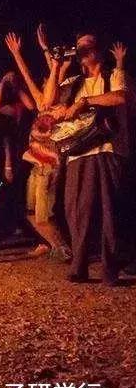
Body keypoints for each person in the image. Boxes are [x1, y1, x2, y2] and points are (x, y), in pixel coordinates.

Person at [53, 34, 129, 284]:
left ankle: (110, 269)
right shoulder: (73, 82)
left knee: (109, 211)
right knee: (77, 210)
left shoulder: (112, 75)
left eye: (88, 45)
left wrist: (85, 102)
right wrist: (56, 65)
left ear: (98, 50)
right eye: (80, 46)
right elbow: (48, 101)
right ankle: (80, 265)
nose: (83, 49)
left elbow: (120, 97)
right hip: (78, 152)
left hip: (106, 149)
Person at [4, 31, 72, 261]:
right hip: (36, 165)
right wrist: (17, 54)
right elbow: (29, 78)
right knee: (31, 214)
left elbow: (54, 79)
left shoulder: (61, 109)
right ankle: (56, 246)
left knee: (43, 216)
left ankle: (64, 249)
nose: (44, 85)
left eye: (49, 82)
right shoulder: (42, 104)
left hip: (49, 167)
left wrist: (53, 61)